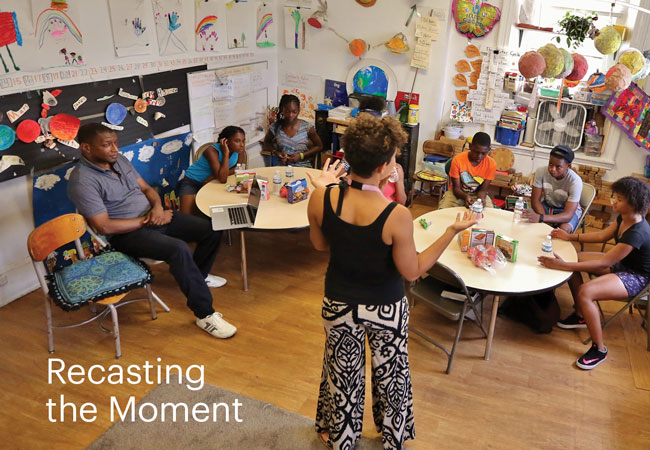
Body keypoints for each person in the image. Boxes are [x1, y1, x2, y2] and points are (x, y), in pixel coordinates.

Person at [306, 114, 477, 449]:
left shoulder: (320, 198)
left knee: (342, 374)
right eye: (395, 158)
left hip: (338, 303)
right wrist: (449, 232)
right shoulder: (396, 216)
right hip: (385, 308)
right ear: (384, 166)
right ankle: (392, 437)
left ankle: (339, 437)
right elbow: (412, 271)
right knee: (392, 374)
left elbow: (320, 245)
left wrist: (324, 188)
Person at [67, 123, 236, 339]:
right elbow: (104, 226)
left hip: (153, 216)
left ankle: (198, 277)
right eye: (107, 145)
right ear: (86, 148)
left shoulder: (119, 160)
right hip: (126, 233)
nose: (114, 149)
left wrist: (157, 208)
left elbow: (147, 189)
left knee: (212, 229)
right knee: (178, 249)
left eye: (115, 143)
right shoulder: (82, 180)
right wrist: (147, 220)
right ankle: (205, 315)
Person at [538, 176, 650, 370]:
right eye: (615, 196)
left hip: (637, 276)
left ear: (634, 204)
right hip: (621, 263)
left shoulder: (637, 232)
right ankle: (581, 314)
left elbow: (605, 262)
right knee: (574, 258)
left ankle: (599, 349)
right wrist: (569, 236)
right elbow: (601, 235)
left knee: (586, 291)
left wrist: (563, 266)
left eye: (620, 199)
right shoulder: (624, 217)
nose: (614, 201)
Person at [177, 126, 246, 215]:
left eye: (243, 140)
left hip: (212, 182)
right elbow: (222, 178)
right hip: (192, 181)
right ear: (226, 141)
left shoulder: (240, 151)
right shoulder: (211, 151)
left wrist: (214, 176)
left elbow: (237, 170)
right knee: (186, 216)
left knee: (215, 212)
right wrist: (226, 154)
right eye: (237, 141)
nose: (242, 145)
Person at [522, 145, 583, 232]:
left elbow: (568, 215)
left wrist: (541, 218)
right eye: (550, 164)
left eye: (558, 167)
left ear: (568, 166)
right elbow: (535, 200)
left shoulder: (575, 181)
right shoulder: (541, 172)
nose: (552, 169)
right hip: (547, 206)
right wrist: (543, 220)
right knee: (524, 218)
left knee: (563, 230)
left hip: (566, 211)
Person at [438, 132, 496, 209]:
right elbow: (456, 189)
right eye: (476, 152)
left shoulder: (491, 164)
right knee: (443, 211)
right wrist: (466, 197)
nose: (479, 156)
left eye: (483, 153)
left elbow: (483, 190)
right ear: (470, 146)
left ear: (489, 149)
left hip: (477, 193)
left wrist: (480, 200)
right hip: (457, 193)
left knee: (489, 214)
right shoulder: (458, 160)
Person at [262, 94, 323, 167]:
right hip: (282, 167)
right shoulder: (275, 127)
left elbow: (319, 146)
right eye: (287, 111)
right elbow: (267, 143)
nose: (291, 115)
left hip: (302, 167)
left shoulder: (307, 127)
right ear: (282, 110)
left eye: (294, 112)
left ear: (299, 110)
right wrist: (277, 153)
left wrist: (301, 155)